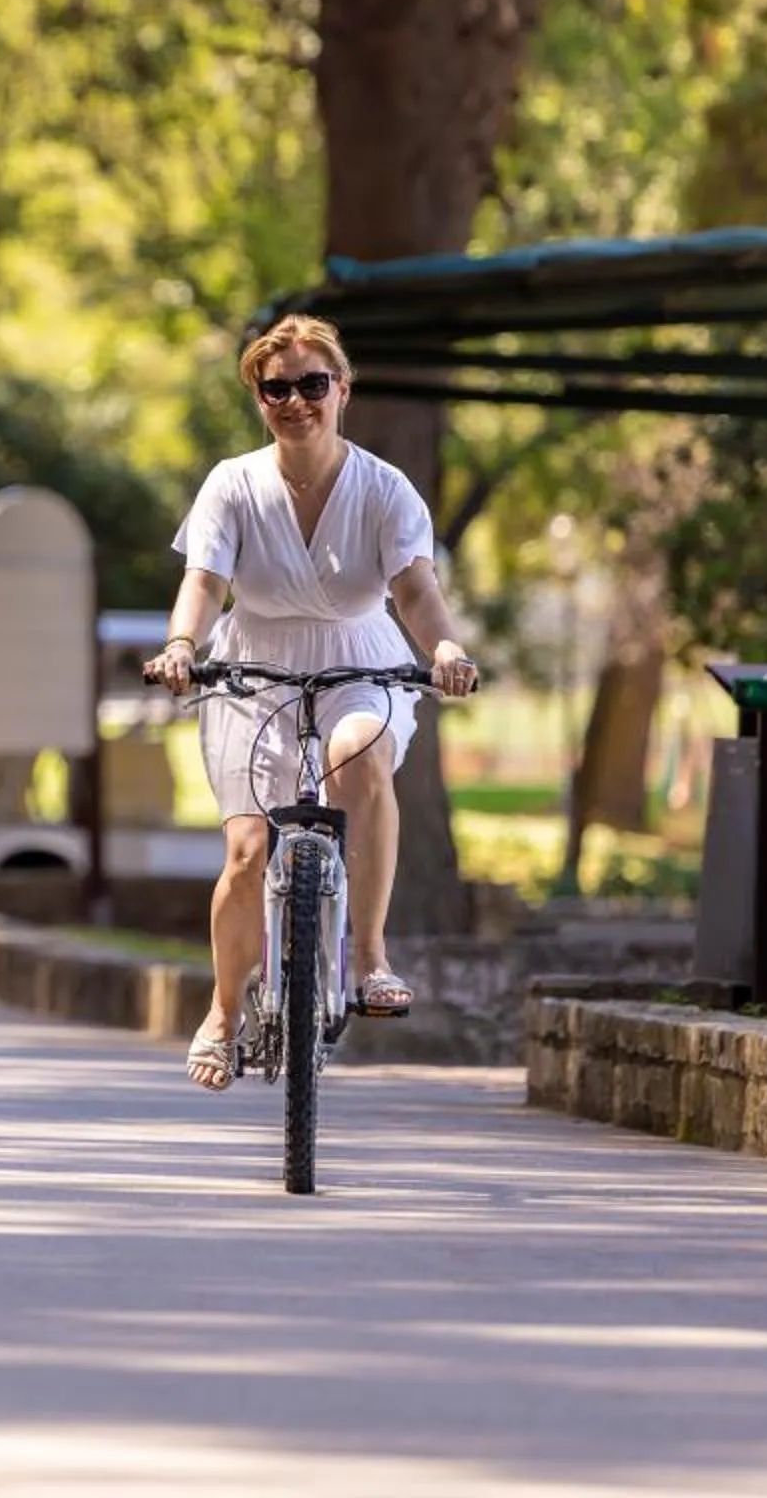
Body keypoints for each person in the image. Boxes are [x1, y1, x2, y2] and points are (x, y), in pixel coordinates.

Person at [144, 313, 479, 1092]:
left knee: (354, 752)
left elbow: (415, 588)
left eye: (312, 385)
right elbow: (204, 582)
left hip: (359, 659)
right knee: (247, 851)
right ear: (259, 398)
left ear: (343, 389)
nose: (296, 401)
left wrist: (447, 650)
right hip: (251, 666)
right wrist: (184, 647)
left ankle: (369, 958)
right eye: (276, 389)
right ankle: (224, 1013)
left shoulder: (384, 488)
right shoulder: (233, 483)